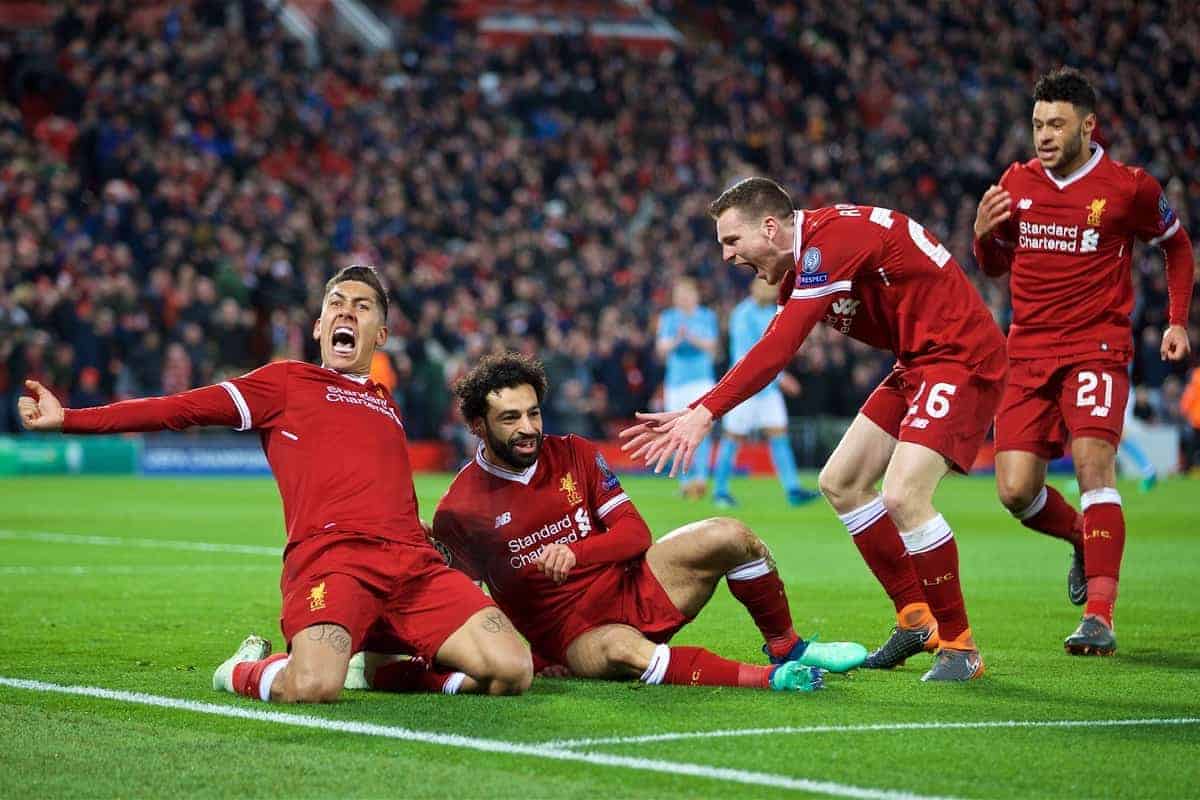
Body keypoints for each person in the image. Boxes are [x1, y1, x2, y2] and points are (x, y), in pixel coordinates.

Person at [17, 265, 532, 702]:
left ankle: (375, 666)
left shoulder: (385, 402)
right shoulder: (285, 383)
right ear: (319, 325)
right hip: (335, 559)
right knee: (312, 687)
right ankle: (242, 669)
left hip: (411, 565)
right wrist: (71, 419)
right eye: (336, 302)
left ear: (381, 335)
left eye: (362, 305)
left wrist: (418, 532)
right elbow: (180, 409)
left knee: (512, 669)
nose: (346, 311)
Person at [622, 178, 1008, 682]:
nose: (726, 256)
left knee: (904, 495)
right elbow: (774, 344)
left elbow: (778, 348)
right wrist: (703, 407)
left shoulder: (831, 243)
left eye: (732, 241)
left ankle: (959, 646)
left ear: (769, 227)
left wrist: (704, 412)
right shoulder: (801, 267)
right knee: (840, 482)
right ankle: (917, 619)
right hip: (916, 362)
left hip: (961, 357)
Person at [346, 353, 867, 696]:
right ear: (478, 426)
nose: (528, 428)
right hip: (574, 636)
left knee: (731, 534)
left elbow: (636, 536)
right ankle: (773, 678)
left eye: (533, 413)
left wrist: (577, 554)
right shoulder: (462, 509)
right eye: (510, 419)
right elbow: (459, 599)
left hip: (633, 584)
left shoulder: (574, 452)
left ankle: (785, 644)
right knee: (624, 650)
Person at [972, 67, 1194, 656]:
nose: (1044, 135)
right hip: (1027, 353)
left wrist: (1175, 319)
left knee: (1094, 462)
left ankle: (1099, 614)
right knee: (1016, 492)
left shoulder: (1128, 188)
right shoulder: (1015, 182)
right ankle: (1081, 538)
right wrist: (984, 234)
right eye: (1038, 123)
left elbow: (1176, 244)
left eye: (1056, 124)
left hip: (1096, 346)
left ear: (1088, 126)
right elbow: (995, 264)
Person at [712, 278, 820, 508]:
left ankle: (792, 489)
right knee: (733, 438)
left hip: (768, 389)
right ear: (753, 288)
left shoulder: (773, 312)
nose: (768, 290)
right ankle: (720, 491)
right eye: (763, 286)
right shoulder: (742, 314)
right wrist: (781, 377)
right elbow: (748, 354)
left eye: (771, 287)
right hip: (744, 388)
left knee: (779, 434)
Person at [656, 278, 719, 499]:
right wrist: (677, 339)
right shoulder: (668, 318)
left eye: (687, 294)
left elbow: (712, 346)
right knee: (678, 432)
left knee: (703, 429)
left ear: (695, 295)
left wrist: (691, 338)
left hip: (701, 380)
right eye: (679, 295)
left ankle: (701, 478)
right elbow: (662, 349)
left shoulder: (706, 316)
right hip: (676, 382)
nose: (683, 298)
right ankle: (684, 481)